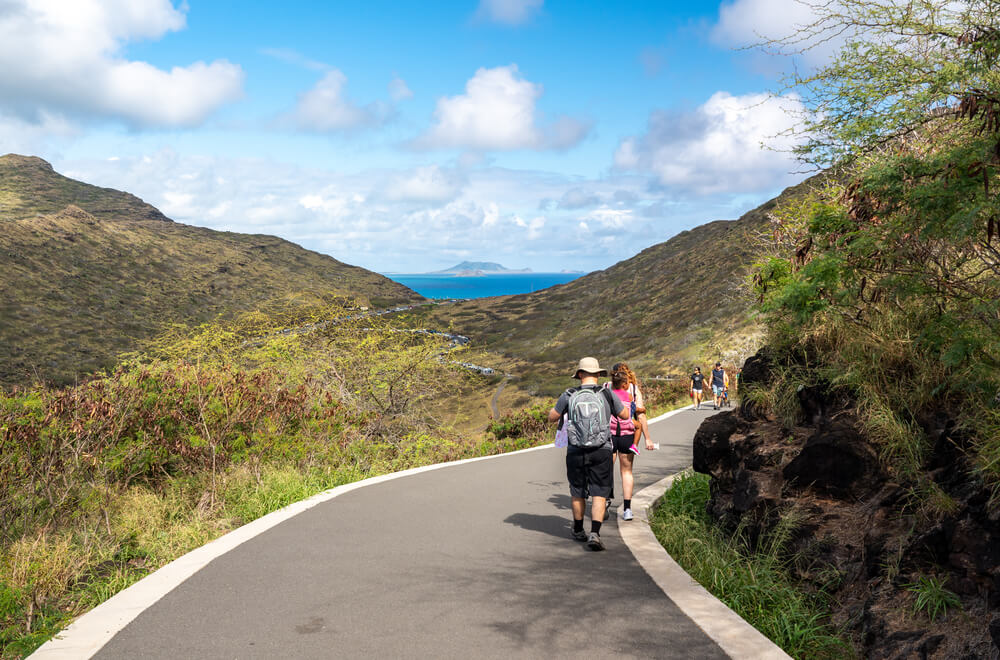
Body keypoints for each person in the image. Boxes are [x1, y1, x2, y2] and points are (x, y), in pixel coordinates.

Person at [548, 357, 628, 551]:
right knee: (600, 491)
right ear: (598, 375)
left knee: (577, 490)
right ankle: (595, 533)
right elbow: (624, 415)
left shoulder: (568, 394)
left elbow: (552, 417)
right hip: (602, 449)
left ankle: (577, 529)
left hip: (576, 449)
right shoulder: (606, 393)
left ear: (580, 375)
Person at [607, 364, 655, 522]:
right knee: (626, 472)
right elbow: (640, 416)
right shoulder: (633, 390)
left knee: (606, 469)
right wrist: (647, 438)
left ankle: (604, 501)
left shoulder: (605, 388)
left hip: (608, 435)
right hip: (627, 435)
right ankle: (627, 509)